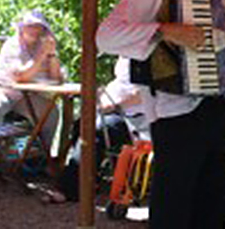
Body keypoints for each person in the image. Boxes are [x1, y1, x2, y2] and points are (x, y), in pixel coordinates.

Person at [96, 0, 225, 229]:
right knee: (175, 207)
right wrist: (165, 30)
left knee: (213, 203)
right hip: (175, 111)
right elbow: (106, 36)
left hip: (215, 106)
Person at [48, 57, 149, 203]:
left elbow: (143, 93)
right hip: (116, 109)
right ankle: (88, 180)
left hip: (136, 119)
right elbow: (121, 83)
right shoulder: (127, 50)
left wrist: (113, 104)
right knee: (80, 124)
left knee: (95, 130)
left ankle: (70, 189)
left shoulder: (148, 53)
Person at [0, 10, 64, 153]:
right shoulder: (12, 45)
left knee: (52, 113)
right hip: (6, 91)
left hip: (30, 96)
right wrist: (40, 57)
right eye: (30, 26)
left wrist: (51, 54)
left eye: (38, 27)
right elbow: (19, 76)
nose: (35, 30)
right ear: (22, 28)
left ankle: (44, 159)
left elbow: (57, 78)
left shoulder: (43, 46)